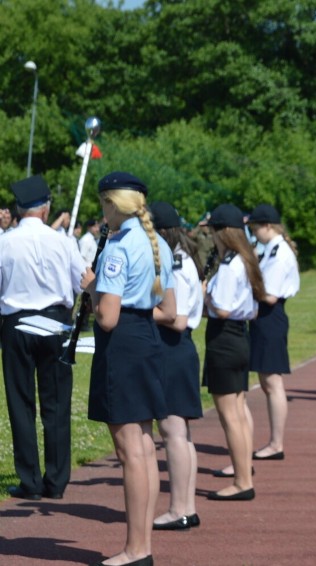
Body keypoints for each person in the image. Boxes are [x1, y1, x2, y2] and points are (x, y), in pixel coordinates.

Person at [84, 171, 176, 566]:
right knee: (143, 446)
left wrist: (90, 287)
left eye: (104, 202)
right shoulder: (157, 243)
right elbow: (168, 311)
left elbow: (106, 317)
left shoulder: (119, 247)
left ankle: (137, 549)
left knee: (131, 452)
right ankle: (143, 545)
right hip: (145, 341)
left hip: (122, 344)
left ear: (112, 203)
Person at [0, 175, 88, 501]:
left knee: (21, 403)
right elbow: (83, 283)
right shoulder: (63, 241)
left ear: (19, 210)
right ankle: (56, 478)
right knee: (56, 402)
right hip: (54, 320)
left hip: (17, 322)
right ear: (46, 208)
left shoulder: (5, 242)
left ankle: (29, 479)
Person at [148, 201, 204, 531]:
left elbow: (177, 319)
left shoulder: (177, 264)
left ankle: (180, 508)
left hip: (173, 348)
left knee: (173, 433)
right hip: (176, 350)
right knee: (181, 433)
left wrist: (135, 309)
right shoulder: (179, 259)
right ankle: (186, 506)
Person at [203, 203, 265, 501]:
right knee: (238, 412)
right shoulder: (246, 260)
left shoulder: (229, 266)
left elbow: (223, 309)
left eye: (213, 232)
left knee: (230, 416)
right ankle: (244, 474)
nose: (211, 238)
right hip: (240, 336)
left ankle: (242, 481)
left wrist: (205, 296)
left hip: (225, 339)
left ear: (222, 233)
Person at [247, 204, 300, 461]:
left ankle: (276, 443)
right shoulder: (270, 249)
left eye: (255, 228)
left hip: (270, 316)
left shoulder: (279, 252)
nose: (254, 233)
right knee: (269, 383)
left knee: (272, 382)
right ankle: (274, 442)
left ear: (267, 225)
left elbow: (269, 295)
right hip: (265, 318)